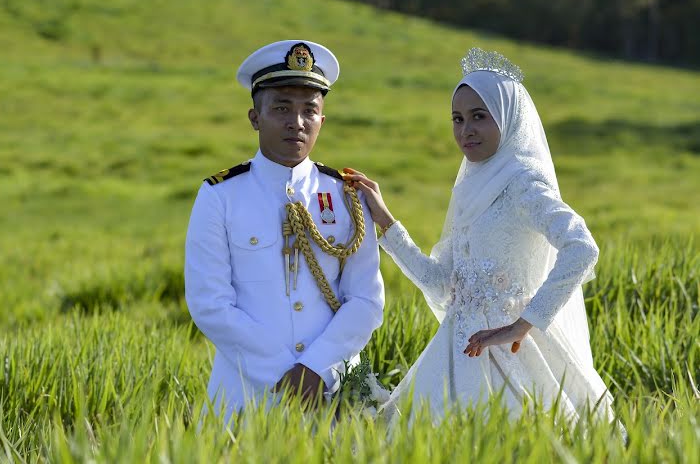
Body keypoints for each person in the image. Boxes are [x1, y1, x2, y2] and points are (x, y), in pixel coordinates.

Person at [344, 47, 616, 424]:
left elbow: (581, 247)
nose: (465, 130)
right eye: (457, 119)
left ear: (507, 118)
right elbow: (442, 284)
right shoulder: (471, 187)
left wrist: (524, 323)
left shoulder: (524, 183)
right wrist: (386, 222)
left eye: (479, 117)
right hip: (456, 350)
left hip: (514, 350)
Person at [185, 40, 385, 422]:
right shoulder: (220, 195)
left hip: (334, 389)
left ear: (322, 121)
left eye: (310, 110)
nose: (297, 122)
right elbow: (209, 302)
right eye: (281, 108)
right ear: (254, 117)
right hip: (248, 393)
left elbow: (366, 300)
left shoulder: (345, 194)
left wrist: (316, 369)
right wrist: (287, 374)